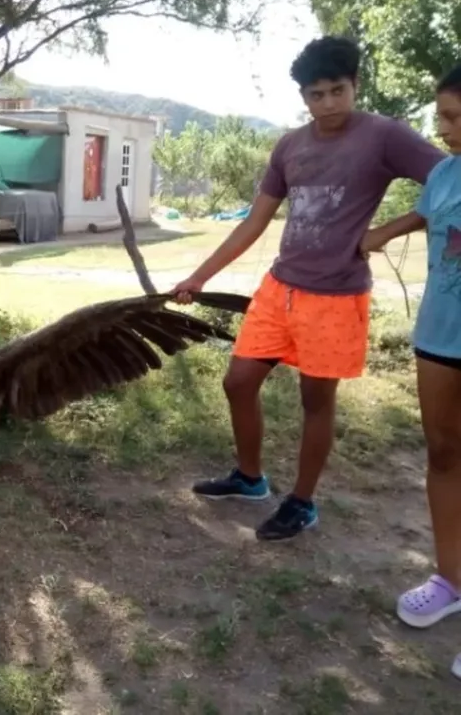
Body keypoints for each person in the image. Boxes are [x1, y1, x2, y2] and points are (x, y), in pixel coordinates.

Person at [173, 36, 447, 541]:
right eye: (315, 95)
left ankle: (301, 503)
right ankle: (251, 479)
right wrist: (200, 276)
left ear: (355, 85)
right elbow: (254, 221)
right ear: (302, 96)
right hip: (281, 287)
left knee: (315, 401)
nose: (327, 104)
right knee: (238, 381)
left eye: (337, 91)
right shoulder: (290, 145)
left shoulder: (384, 136)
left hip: (338, 295)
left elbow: (450, 180)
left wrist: (388, 230)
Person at [359, 63, 461, 679]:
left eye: (455, 118)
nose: (444, 129)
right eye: (443, 115)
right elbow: (430, 214)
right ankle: (451, 579)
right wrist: (381, 232)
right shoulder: (445, 173)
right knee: (444, 455)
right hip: (439, 339)